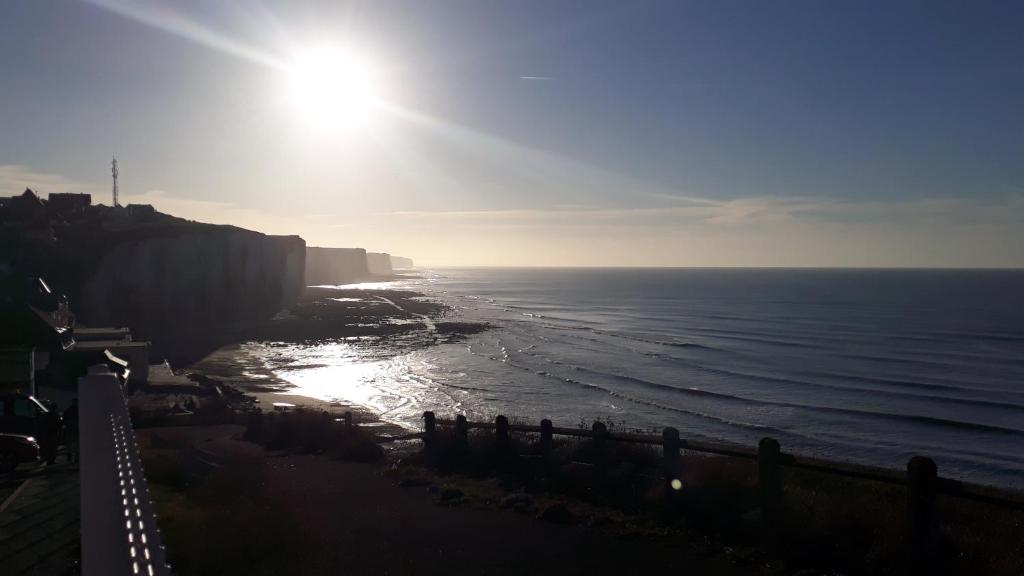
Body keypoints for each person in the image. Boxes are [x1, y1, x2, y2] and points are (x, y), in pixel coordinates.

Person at [63, 398, 79, 464]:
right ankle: (75, 458)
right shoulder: (79, 410)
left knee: (69, 444)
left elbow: (64, 420)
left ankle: (69, 456)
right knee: (76, 445)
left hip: (70, 429)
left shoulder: (68, 410)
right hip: (75, 429)